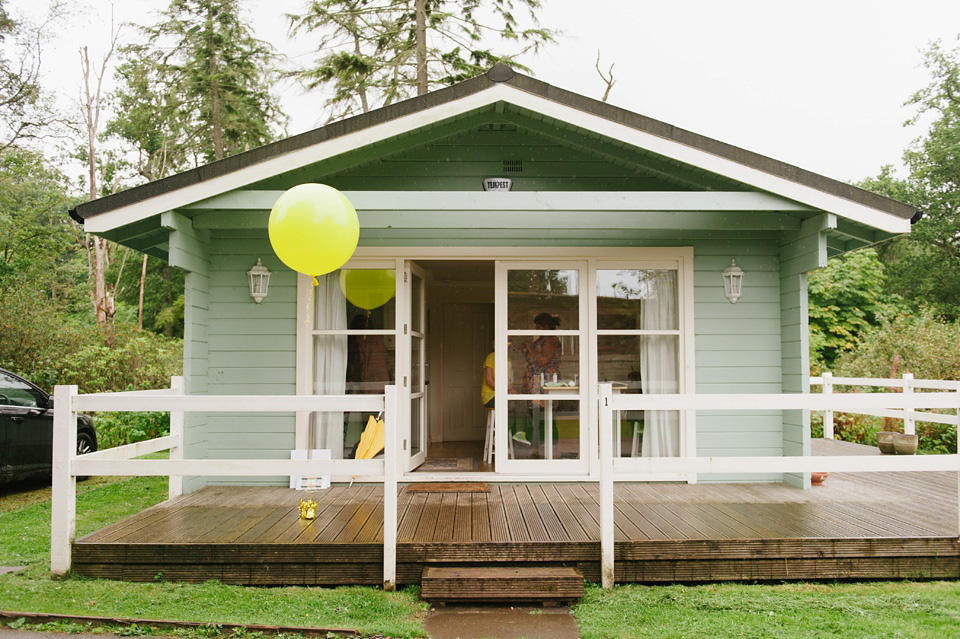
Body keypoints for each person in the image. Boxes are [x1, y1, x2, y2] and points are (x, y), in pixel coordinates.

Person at [521, 312, 562, 395]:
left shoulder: (551, 340)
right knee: (534, 406)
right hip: (535, 379)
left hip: (544, 379)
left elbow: (543, 360)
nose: (536, 329)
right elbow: (533, 356)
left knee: (541, 405)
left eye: (538, 326)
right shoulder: (542, 339)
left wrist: (530, 347)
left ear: (546, 326)